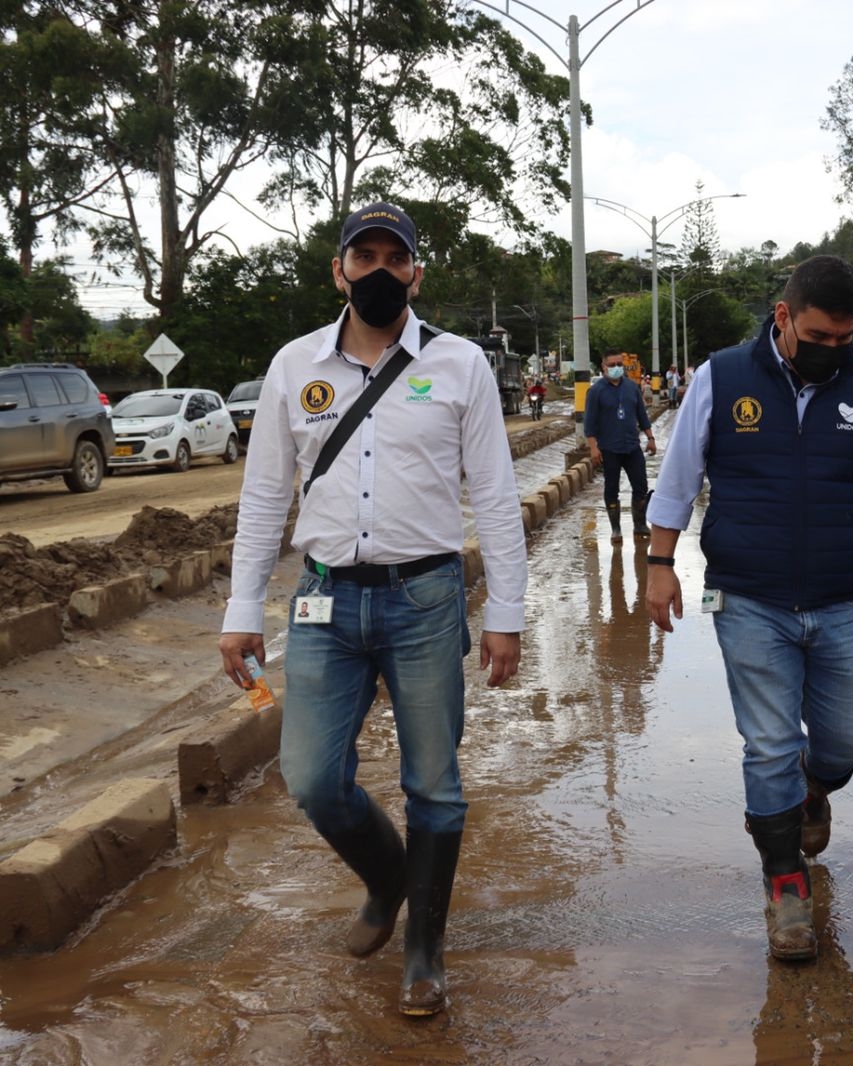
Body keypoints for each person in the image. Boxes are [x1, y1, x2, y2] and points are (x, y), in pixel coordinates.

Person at [217, 202, 527, 1017]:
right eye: (366, 257)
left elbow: (495, 496)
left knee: (435, 784)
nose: (381, 271)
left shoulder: (460, 365)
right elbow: (261, 500)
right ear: (339, 270)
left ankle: (424, 950)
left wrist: (507, 612)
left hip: (426, 600)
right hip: (324, 601)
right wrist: (240, 607)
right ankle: (390, 878)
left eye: (397, 258)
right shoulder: (294, 367)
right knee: (313, 779)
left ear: (417, 273)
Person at [644, 255, 853, 961]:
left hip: (839, 597)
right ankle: (785, 888)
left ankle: (813, 790)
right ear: (784, 317)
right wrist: (658, 565)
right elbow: (677, 479)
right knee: (769, 744)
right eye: (820, 337)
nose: (834, 353)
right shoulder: (721, 377)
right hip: (748, 597)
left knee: (847, 740)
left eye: (846, 340)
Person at [585, 349, 656, 545]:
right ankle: (616, 529)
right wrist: (593, 448)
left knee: (641, 486)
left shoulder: (632, 388)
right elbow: (589, 424)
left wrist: (650, 438)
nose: (617, 368)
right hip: (609, 448)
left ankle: (640, 524)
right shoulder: (596, 391)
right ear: (604, 366)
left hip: (632, 446)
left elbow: (642, 415)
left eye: (619, 364)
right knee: (611, 489)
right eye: (613, 365)